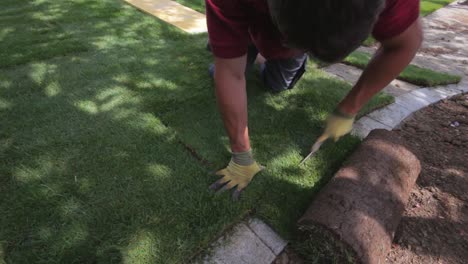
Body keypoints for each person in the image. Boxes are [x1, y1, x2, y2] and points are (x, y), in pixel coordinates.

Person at [206, 0, 423, 199]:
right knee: (220, 69)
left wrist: (348, 108)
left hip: (284, 47)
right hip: (247, 18)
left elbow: (405, 44)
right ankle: (242, 44)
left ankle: (265, 56)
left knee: (276, 84)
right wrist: (241, 156)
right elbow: (230, 74)